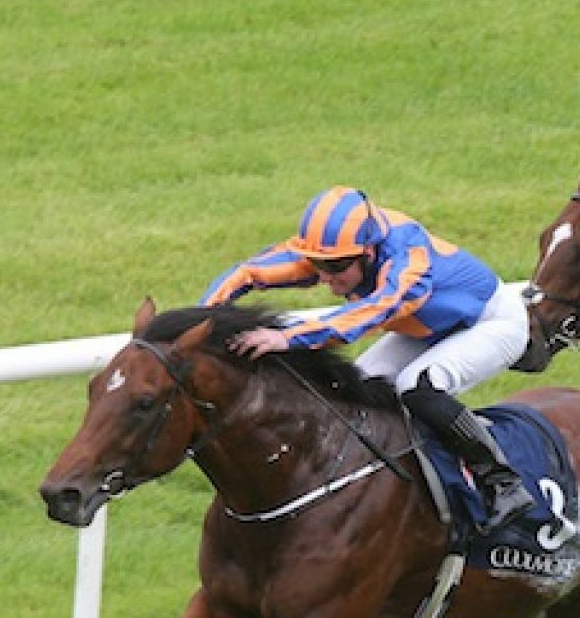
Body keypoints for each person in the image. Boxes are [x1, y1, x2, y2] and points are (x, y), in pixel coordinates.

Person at [201, 185, 535, 533]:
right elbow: (248, 273)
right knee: (358, 390)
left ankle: (503, 480)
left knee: (416, 386)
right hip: (429, 328)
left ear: (369, 253)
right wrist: (198, 323)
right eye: (318, 266)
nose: (326, 278)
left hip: (491, 323)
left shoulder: (408, 260)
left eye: (337, 267)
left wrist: (287, 338)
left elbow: (370, 314)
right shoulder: (339, 248)